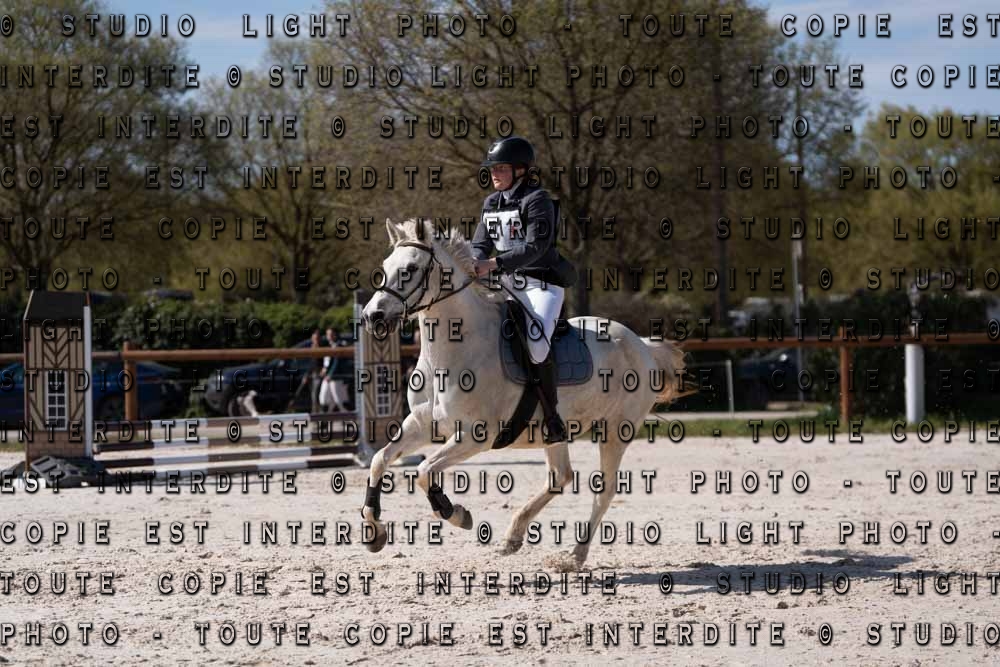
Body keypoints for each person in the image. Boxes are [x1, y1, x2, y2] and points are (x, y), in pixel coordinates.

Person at [471, 136, 577, 444]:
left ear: (521, 170)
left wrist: (493, 264)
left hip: (541, 285)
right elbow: (480, 243)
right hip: (505, 284)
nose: (494, 174)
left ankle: (553, 417)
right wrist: (473, 261)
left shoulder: (537, 199)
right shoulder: (491, 203)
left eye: (501, 168)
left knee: (538, 346)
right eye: (492, 169)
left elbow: (536, 246)